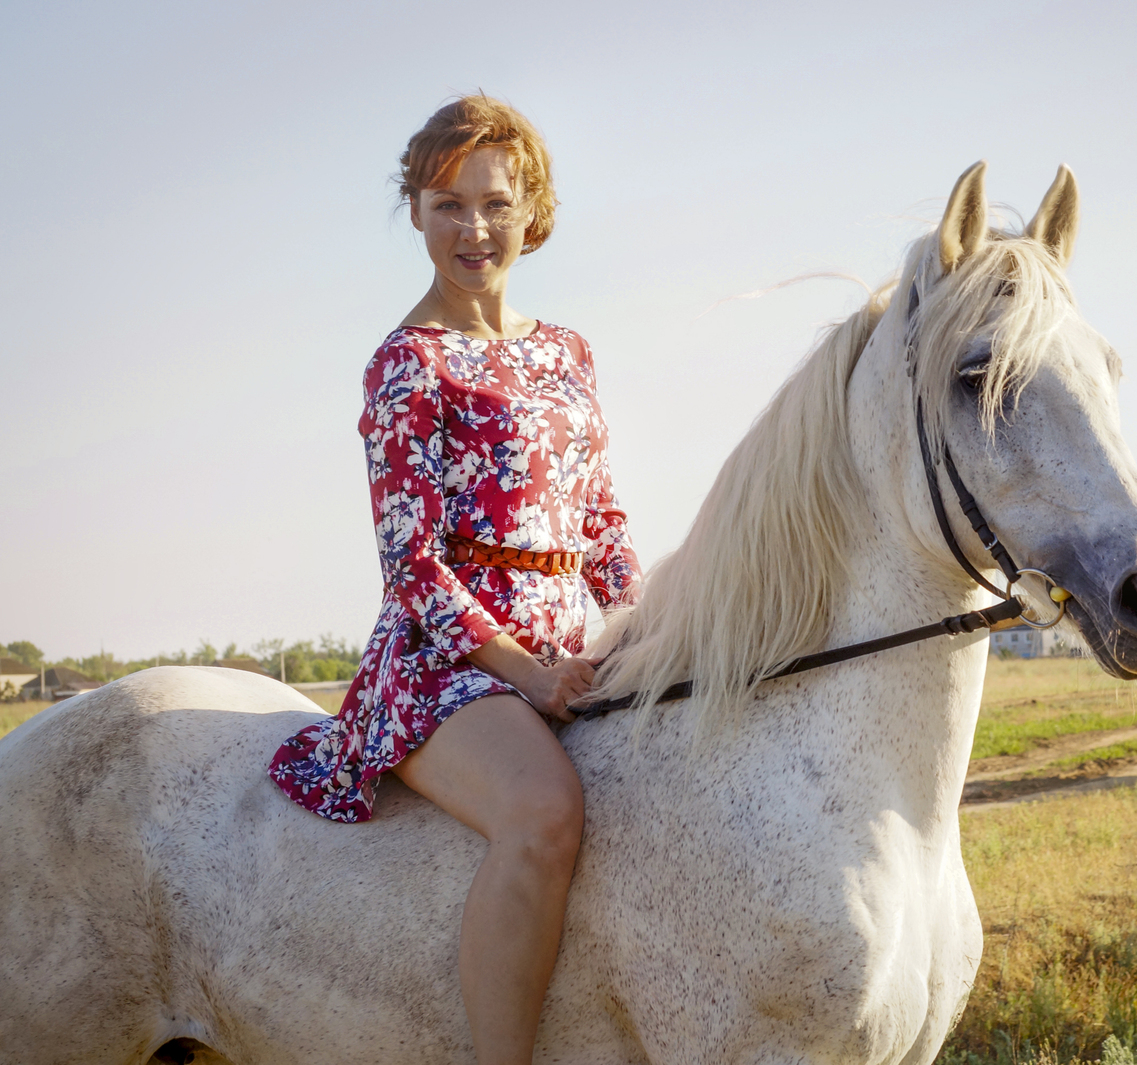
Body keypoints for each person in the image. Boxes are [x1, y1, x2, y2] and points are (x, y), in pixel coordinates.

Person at [267, 94, 639, 1064]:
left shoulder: (568, 353)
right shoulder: (406, 364)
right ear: (417, 214)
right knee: (543, 812)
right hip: (449, 660)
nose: (474, 229)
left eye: (494, 203)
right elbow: (411, 567)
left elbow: (599, 518)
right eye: (446, 205)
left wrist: (640, 621)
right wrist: (521, 671)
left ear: (532, 209)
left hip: (567, 642)